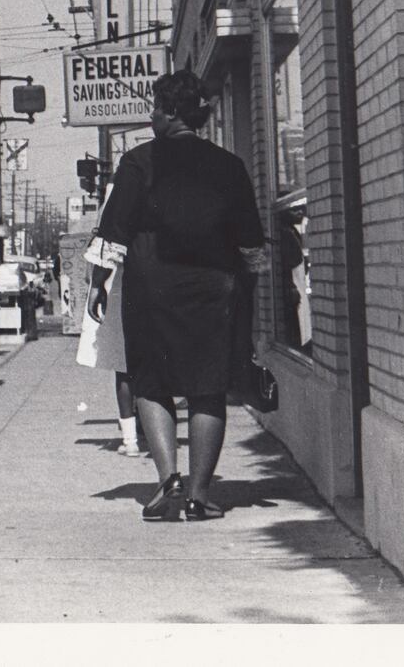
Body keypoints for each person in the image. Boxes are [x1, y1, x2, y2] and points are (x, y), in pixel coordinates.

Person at [90, 70, 268, 522]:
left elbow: (114, 230)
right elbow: (250, 239)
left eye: (153, 108)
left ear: (170, 112)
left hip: (152, 286)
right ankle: (200, 494)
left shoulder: (139, 161)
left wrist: (97, 283)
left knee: (152, 380)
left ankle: (169, 479)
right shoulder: (228, 165)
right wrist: (249, 290)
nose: (150, 116)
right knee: (208, 388)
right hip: (214, 288)